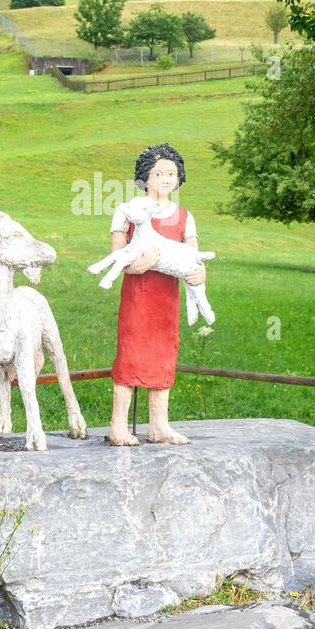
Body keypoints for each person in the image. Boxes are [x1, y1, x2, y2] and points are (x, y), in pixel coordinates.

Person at [107, 143, 206, 446]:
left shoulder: (184, 216)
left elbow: (194, 256)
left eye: (171, 173)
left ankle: (159, 425)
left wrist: (200, 274)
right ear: (144, 177)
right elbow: (116, 255)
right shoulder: (128, 211)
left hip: (167, 299)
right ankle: (118, 426)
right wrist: (137, 265)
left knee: (164, 352)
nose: (165, 179)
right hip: (139, 296)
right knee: (131, 353)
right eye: (158, 173)